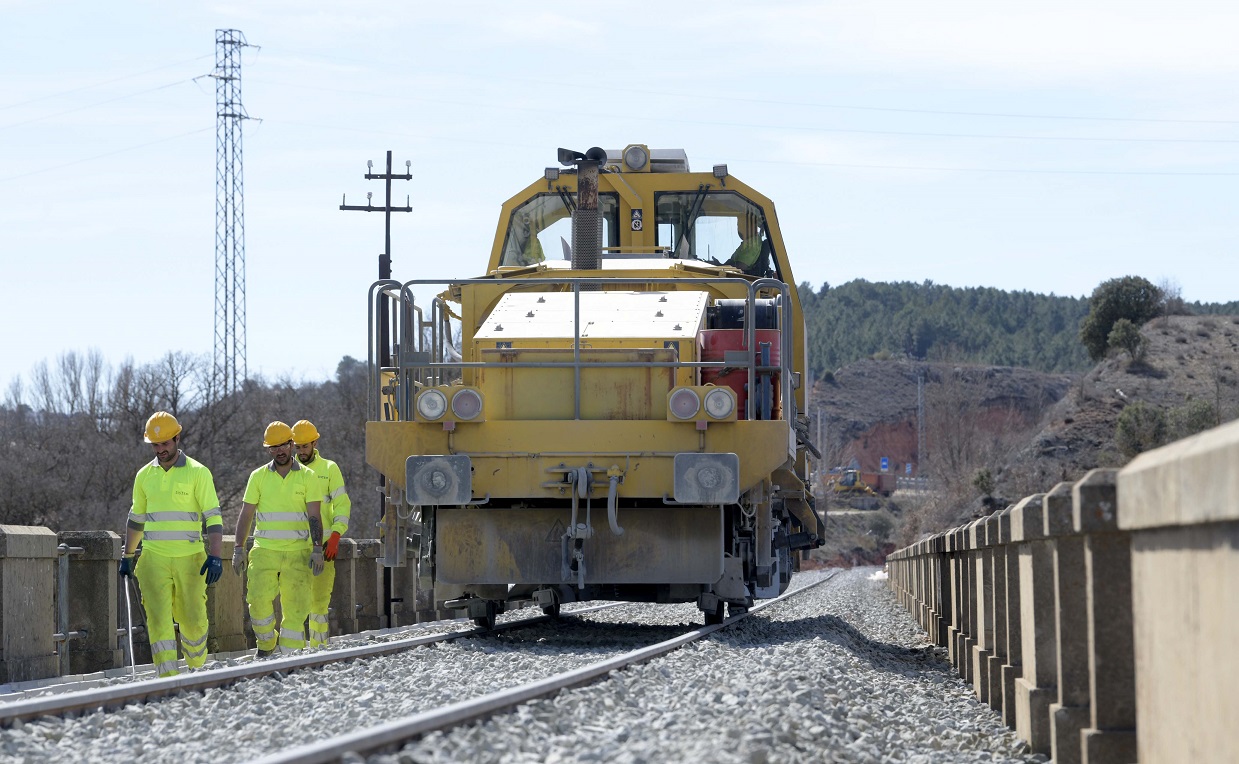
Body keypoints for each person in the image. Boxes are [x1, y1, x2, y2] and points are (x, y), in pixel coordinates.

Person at [119, 411, 223, 677]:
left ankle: (196, 669)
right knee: (158, 619)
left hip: (190, 559)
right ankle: (166, 678)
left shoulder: (198, 473)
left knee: (193, 619)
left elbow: (213, 516)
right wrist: (128, 555)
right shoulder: (144, 476)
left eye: (165, 443)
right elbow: (136, 518)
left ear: (178, 437)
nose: (161, 449)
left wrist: (215, 555)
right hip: (154, 559)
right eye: (155, 445)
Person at [232, 421, 325, 656]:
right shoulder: (258, 477)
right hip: (265, 551)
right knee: (258, 602)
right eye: (273, 447)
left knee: (295, 609)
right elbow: (246, 514)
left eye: (283, 445)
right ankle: (266, 647)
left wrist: (317, 548)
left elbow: (314, 515)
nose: (279, 451)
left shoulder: (308, 477)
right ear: (268, 450)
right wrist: (238, 548)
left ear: (292, 444)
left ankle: (290, 658)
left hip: (298, 552)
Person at [291, 419, 352, 648]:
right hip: (294, 547)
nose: (301, 451)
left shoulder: (329, 469)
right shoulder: (289, 471)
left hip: (324, 547)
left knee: (318, 603)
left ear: (315, 443)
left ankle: (318, 650)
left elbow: (342, 505)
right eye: (297, 447)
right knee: (294, 602)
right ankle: (293, 652)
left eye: (305, 446)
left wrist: (336, 534)